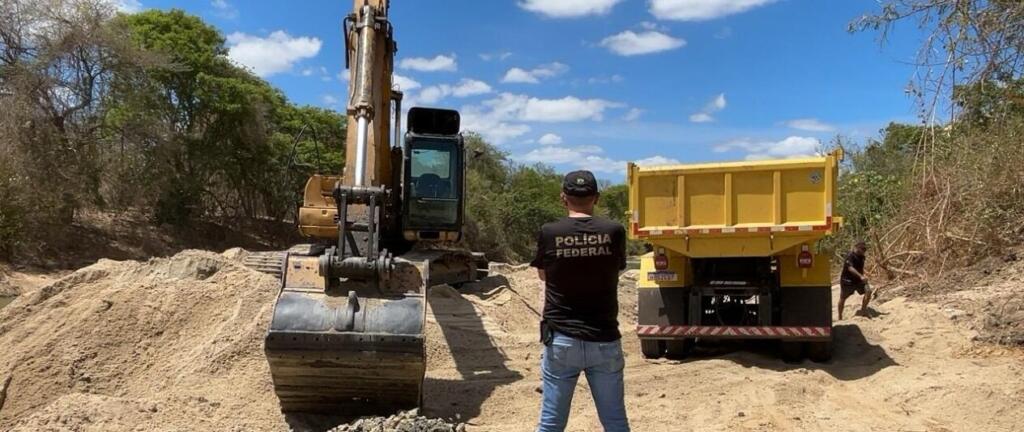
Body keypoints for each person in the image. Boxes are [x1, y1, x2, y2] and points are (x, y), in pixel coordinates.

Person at [531, 170, 630, 432]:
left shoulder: (549, 232)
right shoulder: (614, 231)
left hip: (562, 339)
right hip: (604, 339)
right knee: (615, 422)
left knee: (551, 423)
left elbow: (543, 274)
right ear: (595, 198)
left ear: (563, 197)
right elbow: (616, 269)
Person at [838, 240, 872, 320]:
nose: (863, 251)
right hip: (847, 281)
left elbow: (860, 267)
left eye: (864, 249)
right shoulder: (850, 256)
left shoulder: (862, 257)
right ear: (856, 247)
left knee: (868, 291)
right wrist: (861, 276)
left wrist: (865, 274)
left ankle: (863, 310)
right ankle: (840, 316)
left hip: (858, 280)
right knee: (843, 298)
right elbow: (850, 268)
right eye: (862, 249)